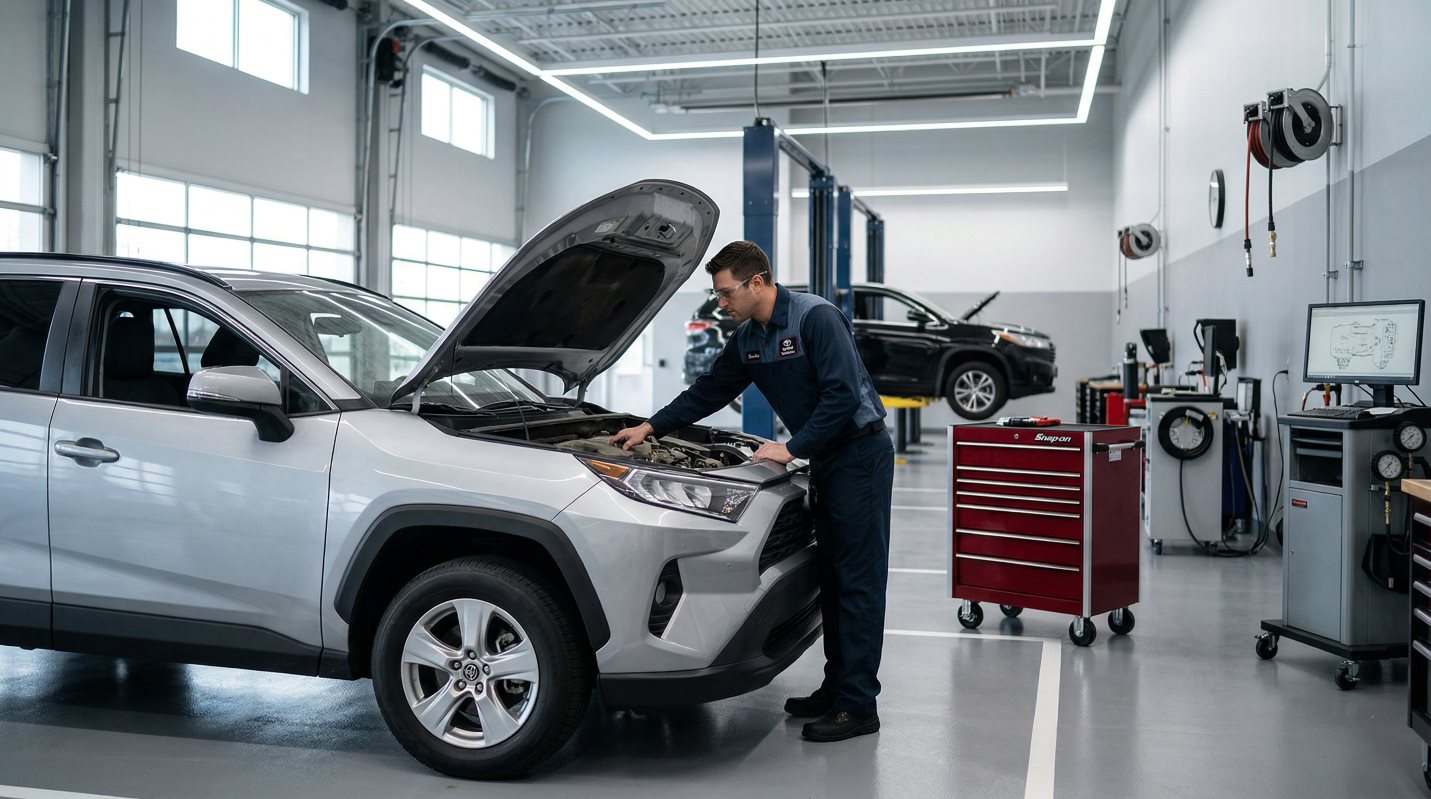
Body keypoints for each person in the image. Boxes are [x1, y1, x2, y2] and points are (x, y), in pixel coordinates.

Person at [610, 240, 894, 742]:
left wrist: (793, 447)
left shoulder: (815, 319)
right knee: (832, 578)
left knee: (858, 582)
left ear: (756, 282)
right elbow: (710, 389)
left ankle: (859, 705)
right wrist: (650, 428)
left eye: (725, 293)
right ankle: (837, 689)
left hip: (859, 457)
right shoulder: (748, 338)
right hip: (827, 459)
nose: (721, 302)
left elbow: (843, 393)